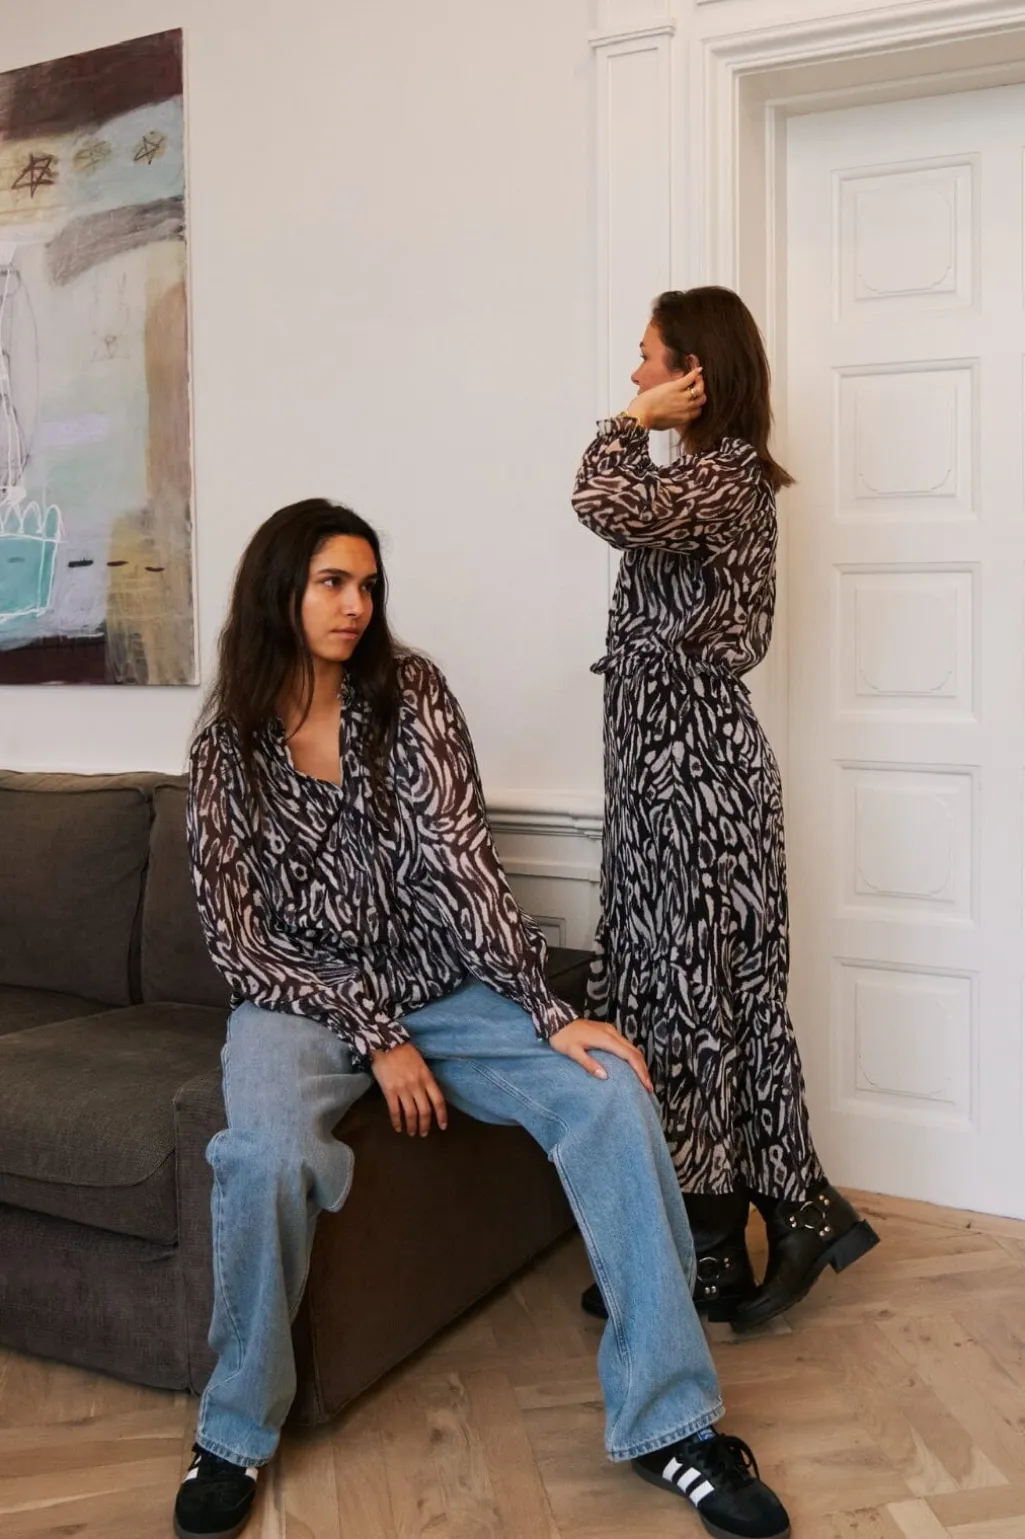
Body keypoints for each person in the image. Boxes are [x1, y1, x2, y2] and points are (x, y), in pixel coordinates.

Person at [172, 498, 791, 1539]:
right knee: (265, 1158)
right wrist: (376, 1035)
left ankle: (672, 1424)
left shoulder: (408, 693)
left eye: (368, 585)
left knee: (610, 1093)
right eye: (332, 582)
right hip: (297, 1001)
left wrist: (549, 1012)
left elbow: (463, 865)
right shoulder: (225, 745)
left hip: (443, 987)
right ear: (279, 589)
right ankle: (233, 1431)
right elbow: (239, 943)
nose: (356, 605)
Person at [572, 287, 878, 1334]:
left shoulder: (727, 475)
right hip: (661, 776)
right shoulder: (699, 481)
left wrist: (627, 425)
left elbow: (598, 500)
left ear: (692, 372)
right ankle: (767, 1215)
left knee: (696, 1005)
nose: (634, 376)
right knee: (685, 1000)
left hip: (696, 779)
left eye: (647, 358)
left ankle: (723, 1238)